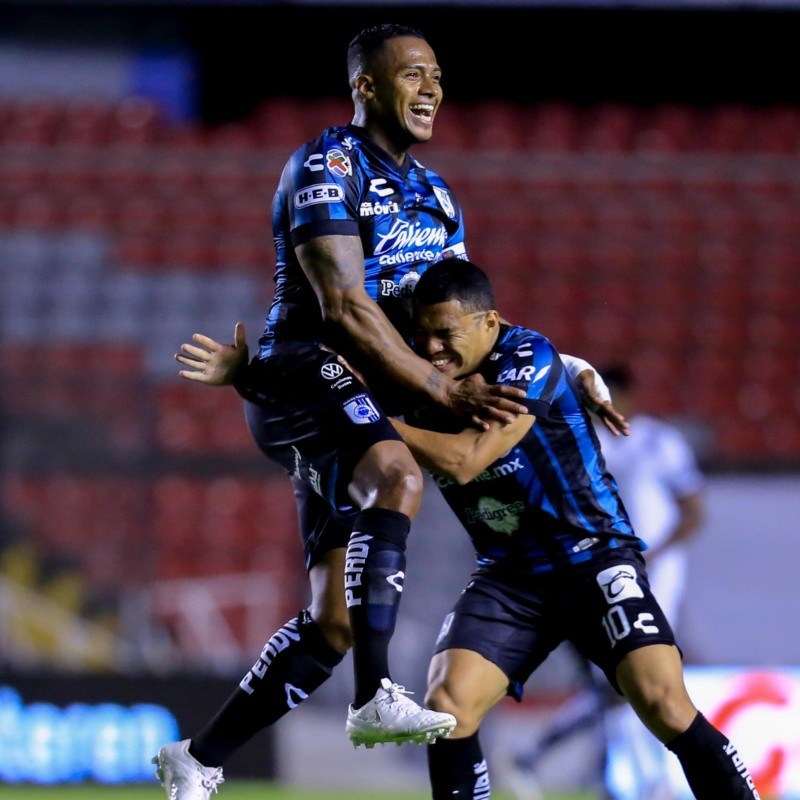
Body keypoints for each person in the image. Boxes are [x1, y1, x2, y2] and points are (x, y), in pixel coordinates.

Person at [152, 22, 622, 800]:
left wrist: (564, 364)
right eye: (412, 74)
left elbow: (464, 321)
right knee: (397, 475)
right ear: (366, 86)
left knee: (332, 620)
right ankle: (376, 697)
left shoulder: (437, 197)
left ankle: (198, 757)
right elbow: (341, 307)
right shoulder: (324, 166)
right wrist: (441, 392)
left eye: (437, 73)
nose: (432, 87)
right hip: (305, 374)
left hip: (361, 399)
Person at [389, 258, 759, 800]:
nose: (432, 349)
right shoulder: (421, 377)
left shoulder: (526, 358)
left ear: (489, 323)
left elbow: (467, 459)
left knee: (663, 705)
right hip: (510, 575)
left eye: (446, 334)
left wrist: (368, 421)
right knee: (447, 707)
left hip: (592, 558)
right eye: (422, 336)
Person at [506, 365, 706, 800]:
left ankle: (555, 758)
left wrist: (655, 554)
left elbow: (693, 510)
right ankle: (640, 781)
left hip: (656, 579)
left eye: (608, 395)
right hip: (599, 572)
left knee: (638, 680)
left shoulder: (658, 443)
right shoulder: (583, 445)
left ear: (628, 397)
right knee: (623, 680)